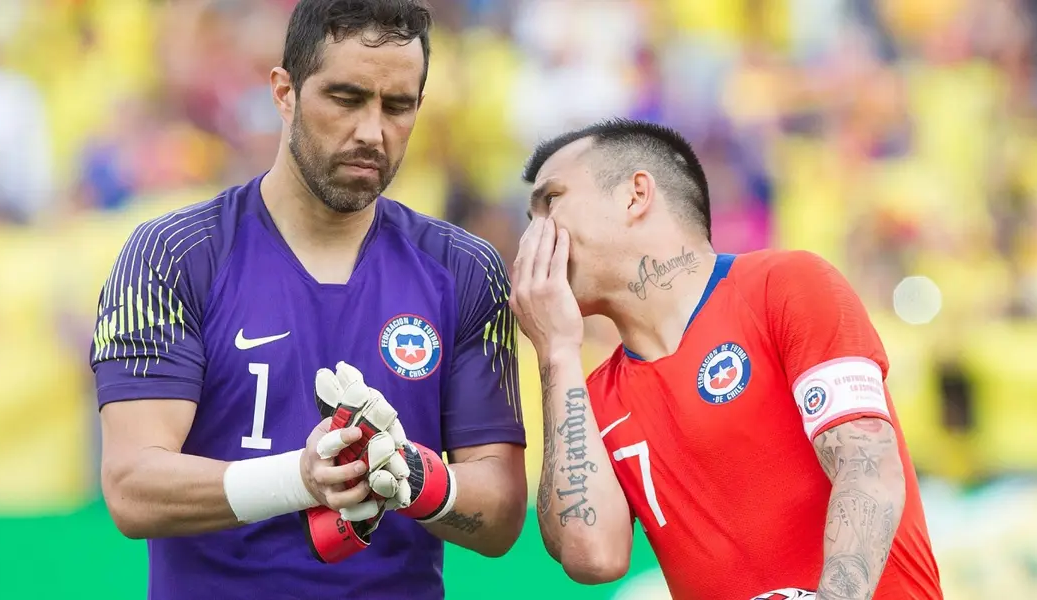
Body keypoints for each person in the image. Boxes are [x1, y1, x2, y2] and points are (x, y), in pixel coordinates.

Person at [89, 1, 526, 598]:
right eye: (346, 98)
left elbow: (500, 517)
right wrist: (301, 478)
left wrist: (415, 477)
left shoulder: (465, 269)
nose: (373, 132)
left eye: (397, 106)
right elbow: (132, 487)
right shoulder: (172, 255)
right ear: (284, 91)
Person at [509, 118, 943, 600]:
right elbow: (593, 557)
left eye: (550, 202)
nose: (534, 240)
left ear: (635, 195)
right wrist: (555, 352)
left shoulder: (785, 285)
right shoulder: (590, 397)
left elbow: (867, 462)